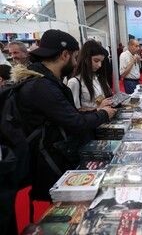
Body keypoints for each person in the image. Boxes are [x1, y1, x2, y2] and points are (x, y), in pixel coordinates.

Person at [14, 29, 116, 201]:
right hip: (50, 160)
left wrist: (96, 111)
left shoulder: (44, 82)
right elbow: (75, 121)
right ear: (64, 55)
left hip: (54, 154)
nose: (76, 64)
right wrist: (103, 114)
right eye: (75, 58)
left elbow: (67, 114)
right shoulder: (42, 86)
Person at [67, 40, 113, 110]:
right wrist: (98, 109)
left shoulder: (98, 77)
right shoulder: (75, 82)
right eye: (96, 61)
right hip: (92, 119)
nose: (99, 65)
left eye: (101, 62)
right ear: (85, 59)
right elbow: (74, 111)